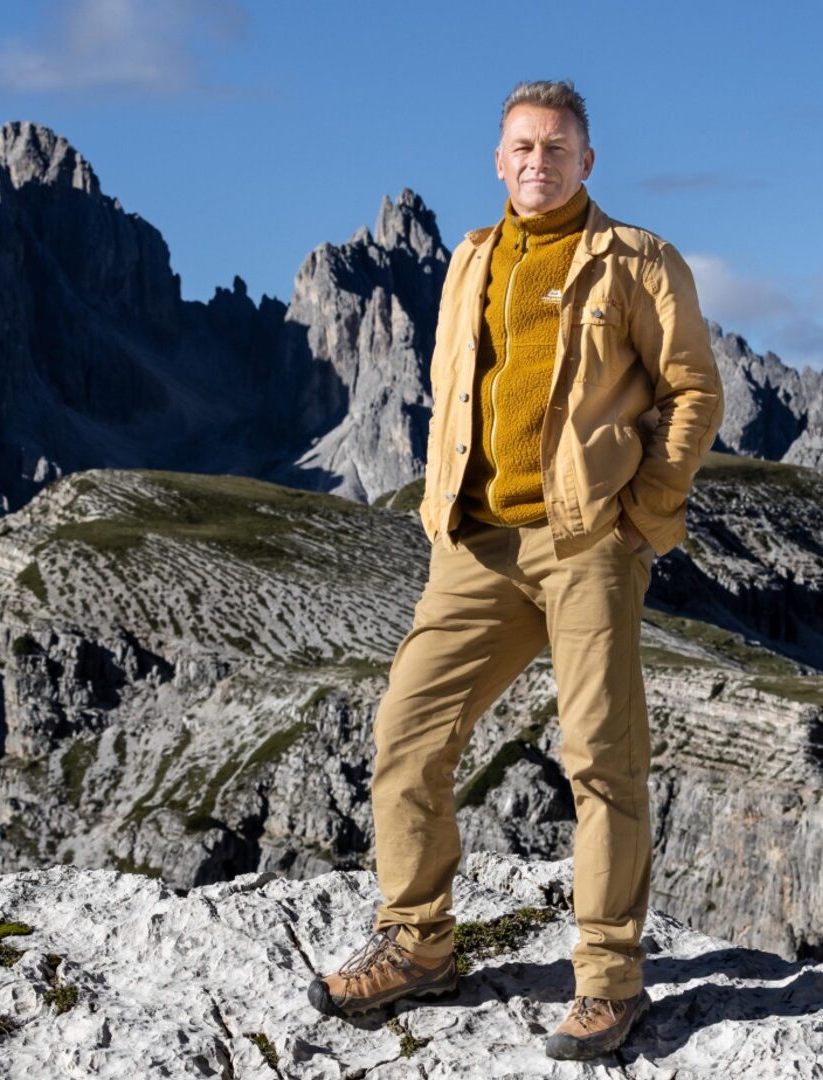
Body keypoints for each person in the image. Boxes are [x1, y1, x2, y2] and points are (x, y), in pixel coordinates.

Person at [306, 79, 724, 1061]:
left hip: (587, 544)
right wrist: (438, 516)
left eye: (556, 147)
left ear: (586, 162)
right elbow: (454, 389)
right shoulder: (468, 260)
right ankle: (416, 945)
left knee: (600, 761)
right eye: (521, 148)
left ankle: (607, 984)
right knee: (405, 732)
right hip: (475, 544)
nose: (537, 162)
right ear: (496, 162)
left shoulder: (635, 260)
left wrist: (642, 514)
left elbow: (692, 389)